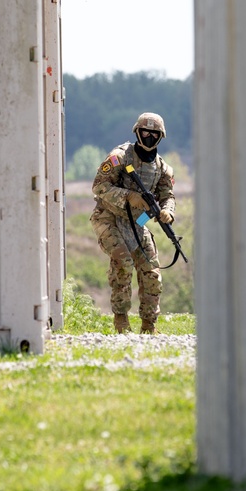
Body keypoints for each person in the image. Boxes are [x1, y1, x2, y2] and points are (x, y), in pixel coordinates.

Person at [90, 112, 176, 334]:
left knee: (152, 272)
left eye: (153, 133)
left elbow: (167, 195)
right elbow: (99, 187)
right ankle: (121, 320)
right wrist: (128, 196)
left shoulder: (162, 169)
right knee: (123, 262)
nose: (148, 136)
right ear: (137, 132)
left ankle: (149, 325)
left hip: (138, 222)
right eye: (144, 132)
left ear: (160, 136)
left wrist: (167, 211)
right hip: (107, 216)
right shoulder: (119, 157)